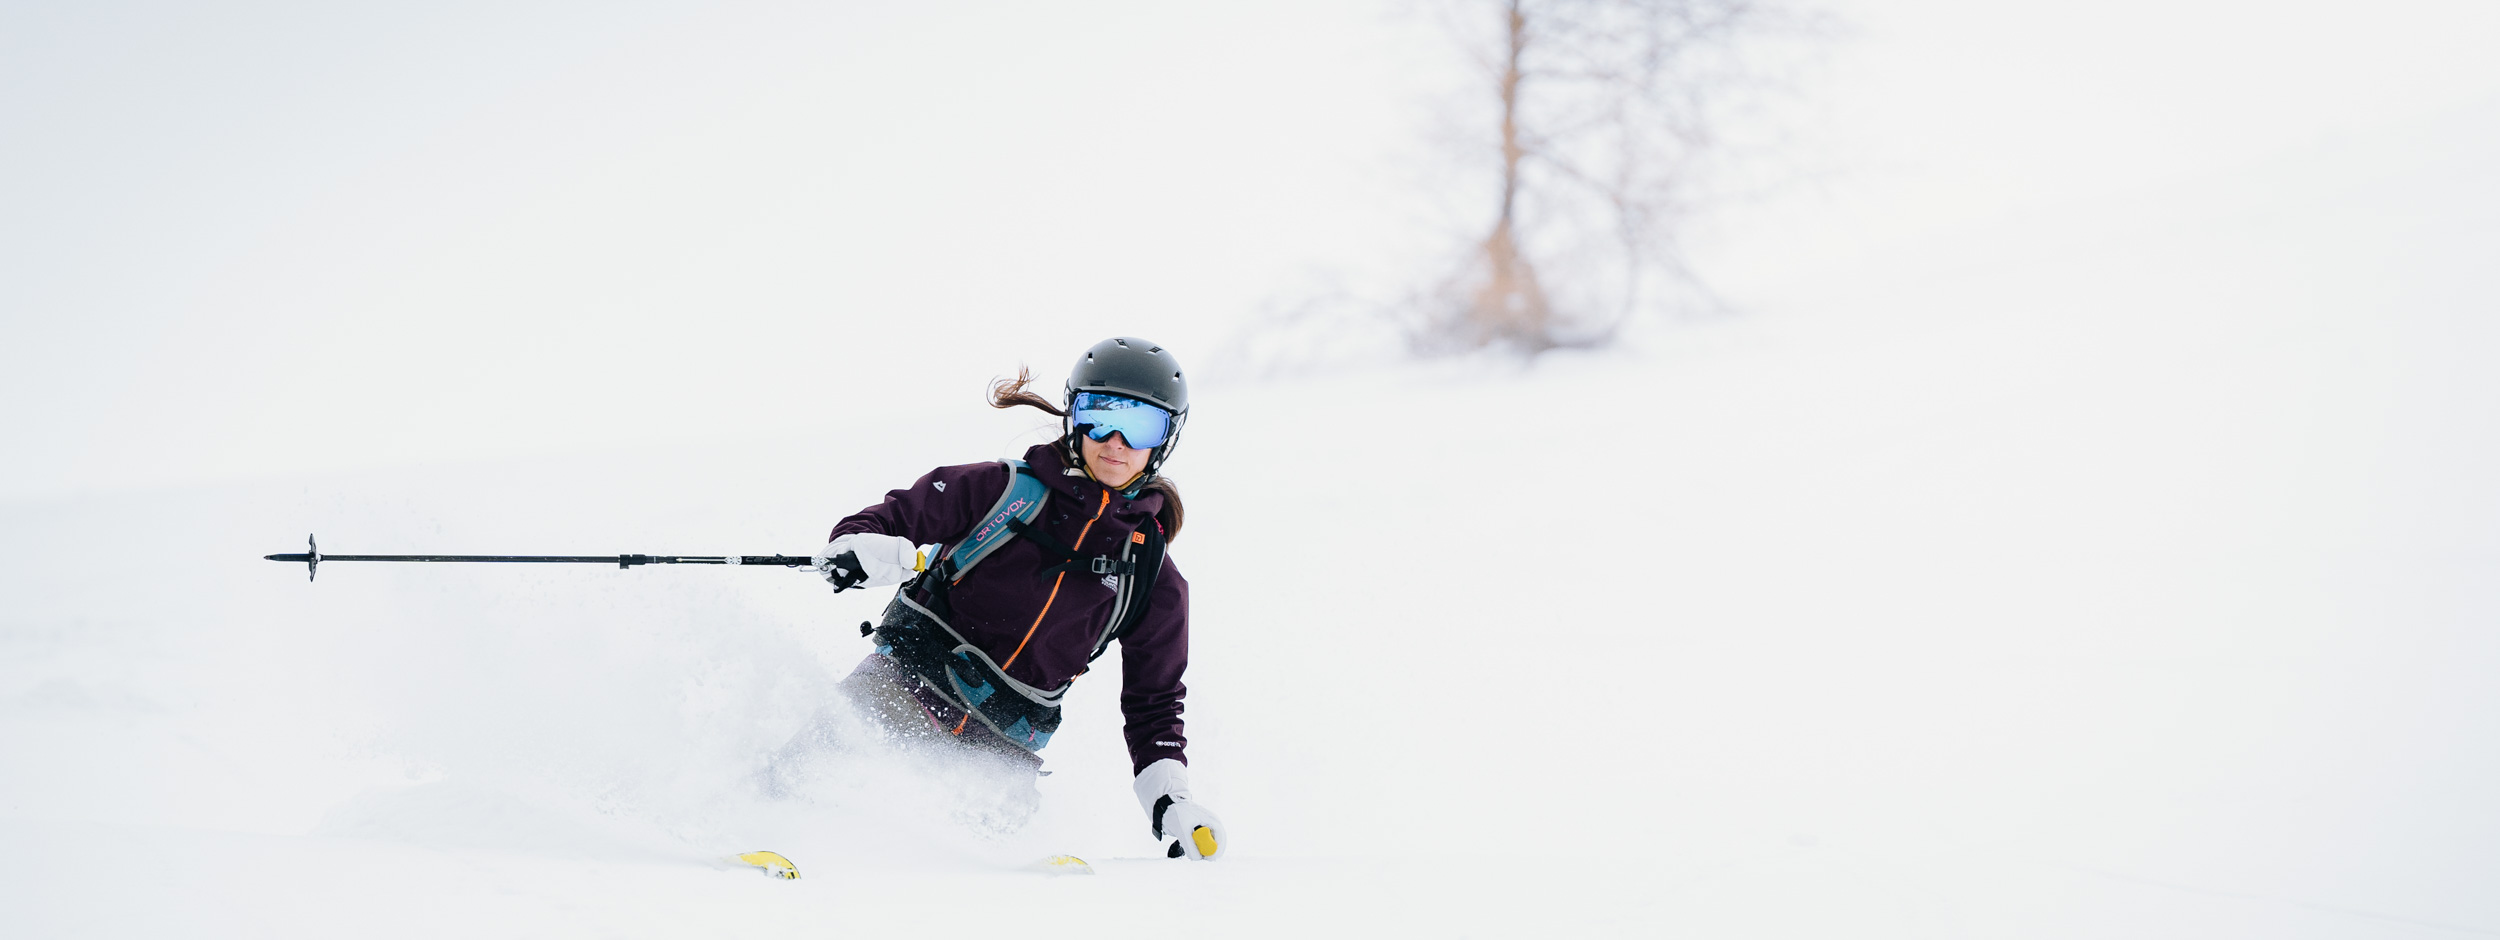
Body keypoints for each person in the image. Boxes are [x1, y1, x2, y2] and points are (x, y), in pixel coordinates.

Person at [806, 337, 1226, 860]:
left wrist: (1170, 799)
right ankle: (745, 850)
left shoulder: (1150, 575)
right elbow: (886, 520)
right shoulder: (1001, 492)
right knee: (813, 786)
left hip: (999, 758)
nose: (1116, 441)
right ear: (1074, 416)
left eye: (1141, 426)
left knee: (967, 877)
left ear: (1164, 440)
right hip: (900, 694)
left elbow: (1154, 702)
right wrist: (859, 548)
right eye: (1100, 416)